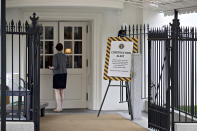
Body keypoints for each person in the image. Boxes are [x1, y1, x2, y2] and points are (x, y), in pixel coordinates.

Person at [49, 43, 67, 112]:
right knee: (62, 91)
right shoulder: (64, 56)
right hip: (64, 74)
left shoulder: (55, 56)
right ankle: (61, 107)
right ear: (62, 48)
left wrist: (50, 68)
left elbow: (55, 66)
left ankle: (58, 108)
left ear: (56, 48)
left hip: (57, 75)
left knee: (57, 92)